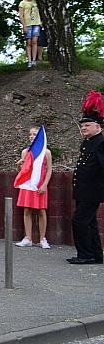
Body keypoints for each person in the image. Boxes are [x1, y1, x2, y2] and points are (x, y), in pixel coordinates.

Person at [68, 91, 104, 264]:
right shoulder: (87, 142)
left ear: (98, 127)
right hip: (83, 190)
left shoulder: (101, 143)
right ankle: (96, 254)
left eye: (87, 125)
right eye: (82, 126)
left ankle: (86, 254)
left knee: (79, 221)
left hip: (93, 191)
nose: (83, 128)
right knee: (90, 223)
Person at [15, 126, 53, 249]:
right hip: (28, 184)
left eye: (34, 134)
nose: (32, 136)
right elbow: (23, 171)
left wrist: (45, 184)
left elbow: (49, 169)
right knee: (27, 210)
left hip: (40, 184)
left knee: (41, 210)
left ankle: (42, 239)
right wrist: (18, 164)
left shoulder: (46, 152)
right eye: (30, 134)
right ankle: (28, 238)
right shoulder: (25, 152)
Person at [18, 0, 43, 68]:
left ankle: (34, 60)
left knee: (35, 41)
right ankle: (29, 60)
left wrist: (40, 23)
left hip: (36, 24)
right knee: (29, 42)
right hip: (27, 24)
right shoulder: (22, 3)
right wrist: (24, 26)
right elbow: (21, 16)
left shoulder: (35, 2)